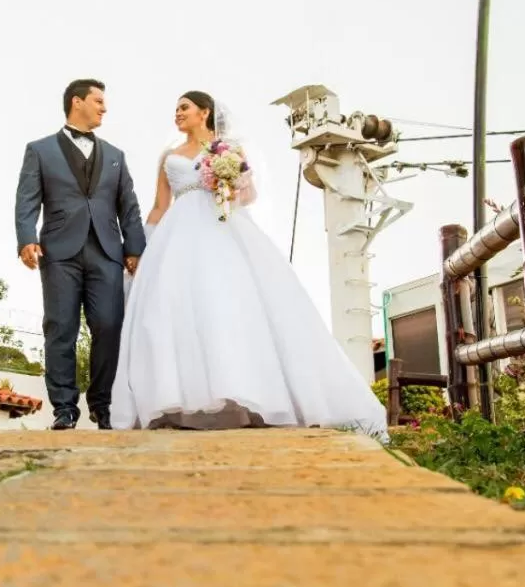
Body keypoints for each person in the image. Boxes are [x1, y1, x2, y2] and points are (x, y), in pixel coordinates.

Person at [110, 90, 388, 440]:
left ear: (204, 112)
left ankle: (239, 393)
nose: (177, 113)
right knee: (170, 308)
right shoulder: (169, 157)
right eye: (176, 109)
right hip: (175, 235)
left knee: (225, 304)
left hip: (221, 227)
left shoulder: (227, 151)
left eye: (184, 107)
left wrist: (227, 184)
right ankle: (175, 398)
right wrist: (141, 247)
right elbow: (158, 205)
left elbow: (249, 195)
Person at [15, 79, 147, 430]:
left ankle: (101, 404)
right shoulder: (39, 150)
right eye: (98, 101)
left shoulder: (116, 157)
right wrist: (26, 238)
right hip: (59, 251)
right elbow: (27, 199)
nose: (104, 108)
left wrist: (134, 248)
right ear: (77, 102)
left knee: (108, 324)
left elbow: (128, 208)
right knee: (61, 327)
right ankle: (64, 407)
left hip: (107, 251)